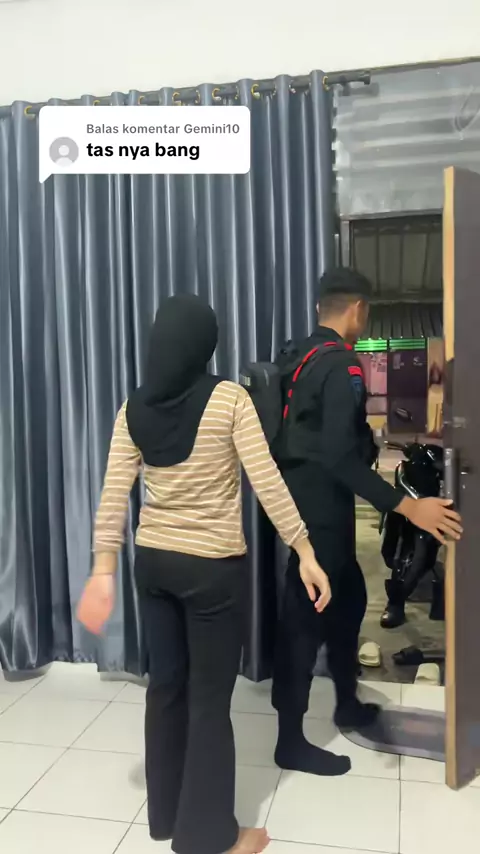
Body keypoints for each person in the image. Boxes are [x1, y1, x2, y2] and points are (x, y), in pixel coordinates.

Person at [76, 294, 345, 854]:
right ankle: (211, 836)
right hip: (212, 572)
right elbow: (267, 482)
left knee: (165, 689)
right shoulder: (228, 399)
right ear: (205, 345)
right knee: (207, 701)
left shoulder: (133, 409)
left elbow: (112, 495)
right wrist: (305, 550)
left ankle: (166, 816)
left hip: (153, 567)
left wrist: (103, 570)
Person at [271, 267, 462, 776]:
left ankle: (346, 702)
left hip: (297, 505)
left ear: (320, 307)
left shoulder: (299, 356)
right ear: (358, 309)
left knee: (349, 599)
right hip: (322, 515)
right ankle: (289, 740)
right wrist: (408, 506)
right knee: (303, 624)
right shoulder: (342, 366)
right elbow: (341, 456)